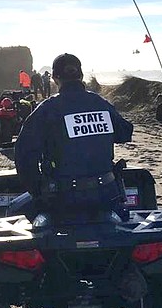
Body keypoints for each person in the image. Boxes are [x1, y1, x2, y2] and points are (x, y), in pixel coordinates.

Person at [14, 53, 133, 217]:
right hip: (107, 195)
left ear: (55, 79)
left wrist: (38, 190)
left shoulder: (48, 108)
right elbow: (125, 132)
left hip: (62, 199)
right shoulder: (100, 103)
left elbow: (23, 154)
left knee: (14, 209)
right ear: (81, 75)